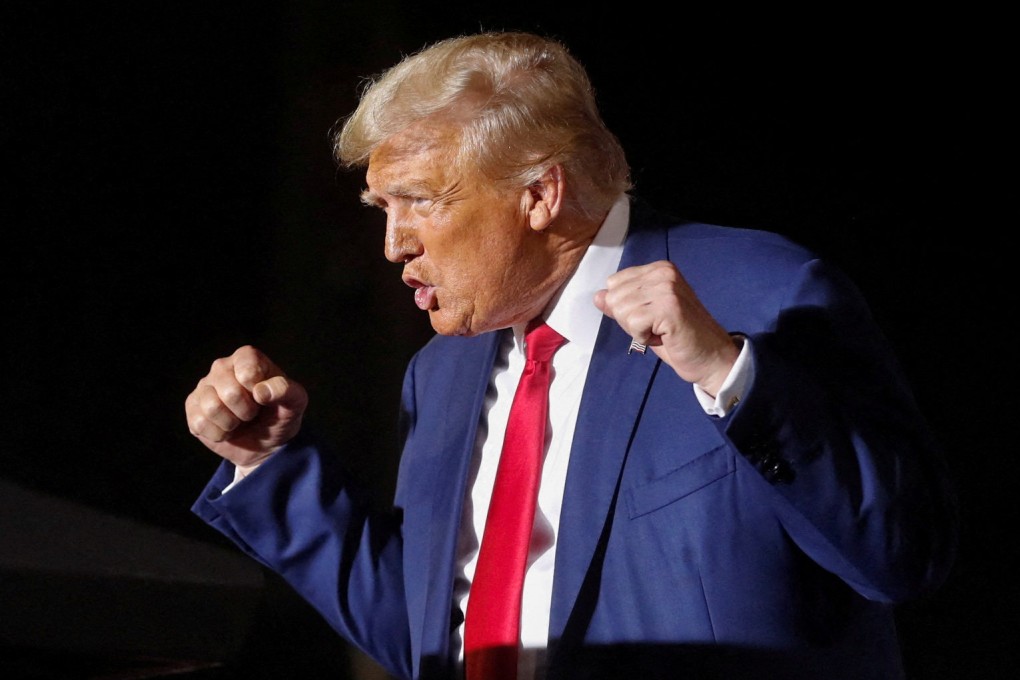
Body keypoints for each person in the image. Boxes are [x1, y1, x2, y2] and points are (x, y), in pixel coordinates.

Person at [185, 31, 958, 680]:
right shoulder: (443, 372)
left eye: (422, 200)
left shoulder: (759, 291)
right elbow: (431, 638)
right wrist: (268, 466)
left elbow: (901, 555)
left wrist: (729, 373)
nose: (394, 245)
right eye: (383, 209)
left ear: (539, 194)